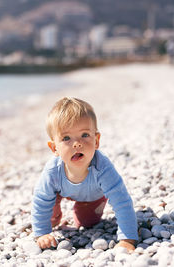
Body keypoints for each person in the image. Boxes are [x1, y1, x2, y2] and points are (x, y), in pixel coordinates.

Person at [31, 97, 138, 251]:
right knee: (50, 216)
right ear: (54, 148)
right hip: (59, 191)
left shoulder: (103, 169)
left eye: (85, 135)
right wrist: (41, 234)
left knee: (87, 223)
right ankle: (55, 215)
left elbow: (122, 202)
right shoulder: (53, 171)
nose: (77, 143)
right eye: (66, 138)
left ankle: (81, 209)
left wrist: (128, 239)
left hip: (92, 196)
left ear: (96, 140)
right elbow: (40, 200)